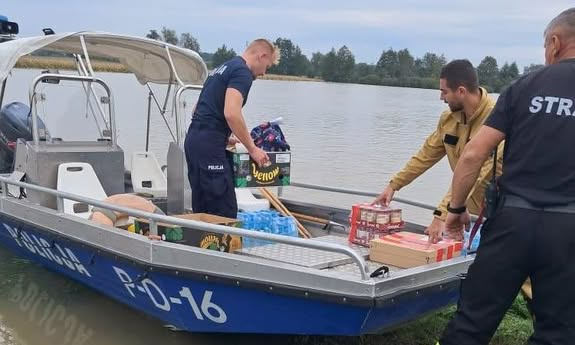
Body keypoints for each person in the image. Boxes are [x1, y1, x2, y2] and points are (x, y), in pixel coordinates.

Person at [438, 8, 575, 345]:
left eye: (546, 45)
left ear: (556, 43)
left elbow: (472, 154)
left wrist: (454, 212)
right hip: (568, 230)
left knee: (471, 321)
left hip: (511, 222)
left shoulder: (525, 86)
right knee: (559, 330)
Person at [373, 59, 503, 240]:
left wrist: (442, 214)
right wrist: (394, 185)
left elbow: (478, 171)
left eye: (444, 92)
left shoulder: (497, 121)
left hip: (496, 215)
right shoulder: (448, 119)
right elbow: (425, 155)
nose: (441, 98)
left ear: (461, 91)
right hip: (462, 211)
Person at [184, 39, 280, 218]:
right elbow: (231, 113)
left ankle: (201, 244)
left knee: (202, 207)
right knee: (224, 210)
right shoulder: (242, 73)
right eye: (267, 66)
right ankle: (223, 245)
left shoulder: (223, 67)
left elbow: (197, 109)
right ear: (262, 55)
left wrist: (222, 135)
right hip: (210, 146)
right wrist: (252, 149)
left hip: (194, 139)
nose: (264, 73)